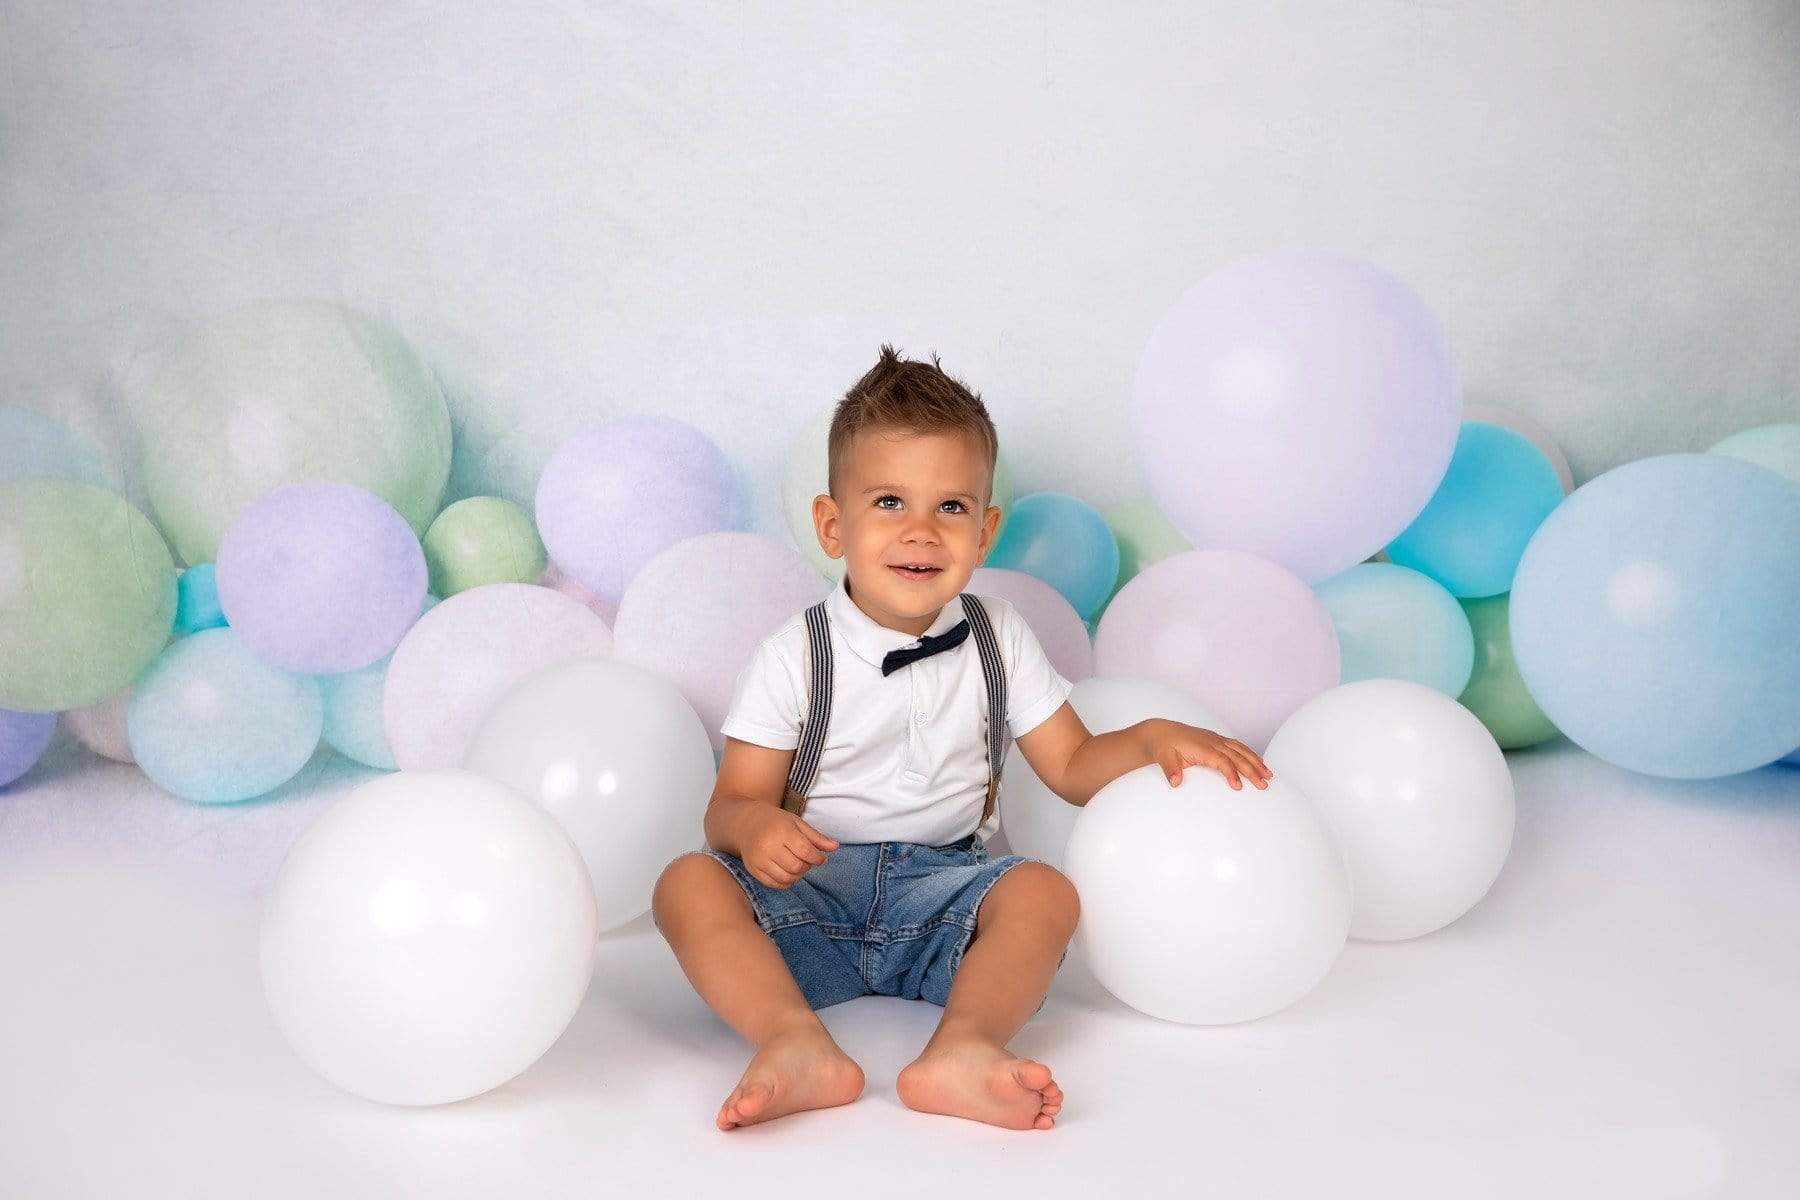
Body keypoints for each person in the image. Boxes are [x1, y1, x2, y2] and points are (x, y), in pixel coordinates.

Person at [650, 345, 1272, 1133]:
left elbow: (1074, 766)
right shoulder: (794, 654)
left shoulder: (998, 636)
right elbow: (730, 805)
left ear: (986, 532)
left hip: (939, 900)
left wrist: (1149, 737)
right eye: (888, 503)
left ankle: (962, 1048)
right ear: (831, 525)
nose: (922, 531)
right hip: (807, 902)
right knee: (687, 883)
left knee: (1044, 893)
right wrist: (758, 826)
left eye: (951, 508)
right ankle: (792, 1038)